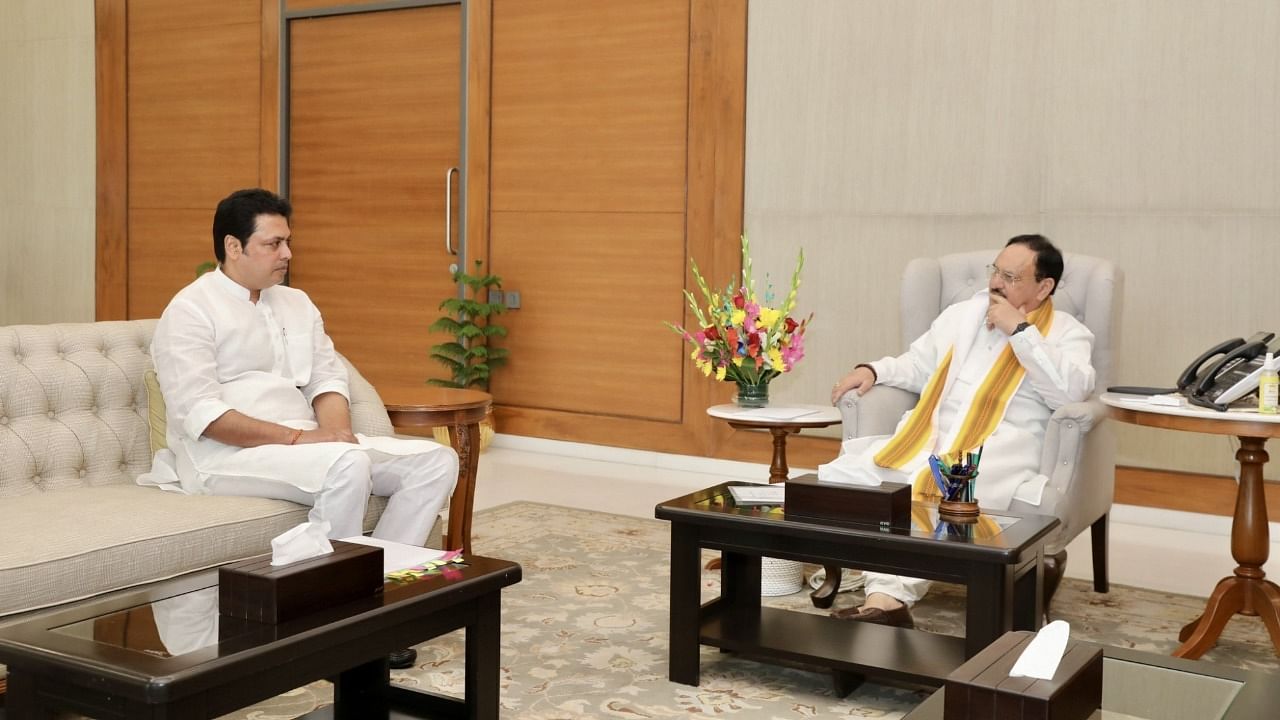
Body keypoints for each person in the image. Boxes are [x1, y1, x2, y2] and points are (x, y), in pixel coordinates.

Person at [145, 188, 457, 667]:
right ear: (234, 246)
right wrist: (301, 438)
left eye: (287, 241)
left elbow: (328, 377)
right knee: (347, 464)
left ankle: (374, 604)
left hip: (308, 446)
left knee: (435, 460)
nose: (287, 254)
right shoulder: (190, 310)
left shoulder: (296, 303)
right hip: (222, 457)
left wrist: (334, 430)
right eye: (273, 244)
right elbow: (203, 416)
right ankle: (329, 624)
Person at [820, 235, 1095, 628]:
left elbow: (1070, 392)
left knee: (925, 489)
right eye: (995, 271)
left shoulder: (1066, 334)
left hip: (997, 448)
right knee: (842, 476)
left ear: (1044, 287)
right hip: (930, 436)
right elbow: (918, 364)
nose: (996, 283)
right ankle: (883, 603)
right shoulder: (964, 314)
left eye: (1011, 276)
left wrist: (1020, 331)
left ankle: (884, 602)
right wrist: (875, 370)